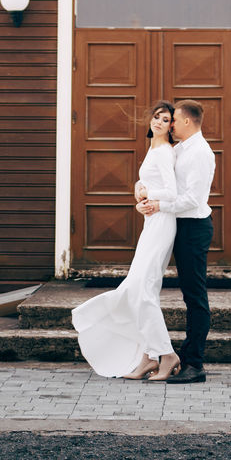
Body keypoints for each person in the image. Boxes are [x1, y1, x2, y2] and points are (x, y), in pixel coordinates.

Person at [71, 102, 181, 381]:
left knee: (141, 290)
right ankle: (147, 358)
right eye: (156, 117)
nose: (158, 122)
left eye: (165, 119)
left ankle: (167, 355)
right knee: (143, 290)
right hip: (152, 222)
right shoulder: (153, 149)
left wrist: (148, 192)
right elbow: (146, 187)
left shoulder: (166, 152)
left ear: (172, 127)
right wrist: (139, 194)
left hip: (162, 225)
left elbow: (171, 191)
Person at [138, 99, 216, 384]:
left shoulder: (199, 153)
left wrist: (158, 205)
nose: (169, 125)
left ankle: (194, 364)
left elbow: (192, 199)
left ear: (185, 121)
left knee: (195, 296)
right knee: (175, 290)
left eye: (173, 120)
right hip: (178, 225)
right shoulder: (180, 149)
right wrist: (145, 194)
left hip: (194, 228)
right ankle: (154, 355)